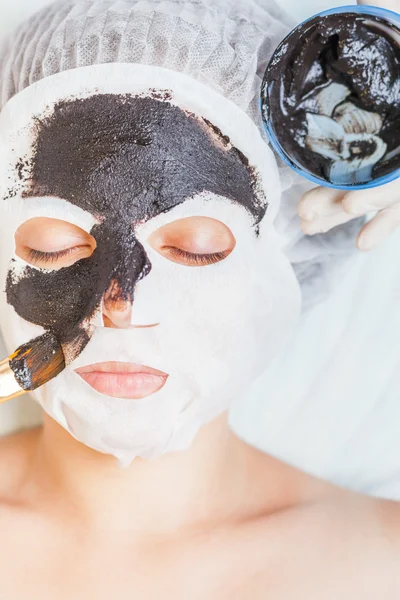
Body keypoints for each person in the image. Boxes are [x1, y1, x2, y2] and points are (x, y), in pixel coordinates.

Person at [0, 1, 399, 598]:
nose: (120, 304)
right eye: (55, 245)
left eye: (195, 247)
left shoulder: (379, 565)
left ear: (290, 255)